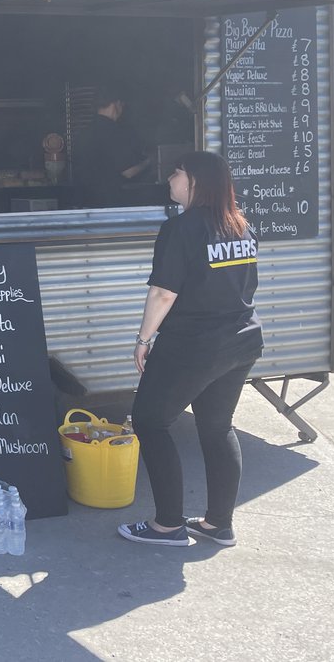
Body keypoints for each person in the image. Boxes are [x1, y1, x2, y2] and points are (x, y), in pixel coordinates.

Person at [118, 151, 263, 547]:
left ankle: (168, 525)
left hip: (194, 344)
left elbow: (164, 293)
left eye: (177, 173)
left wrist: (143, 339)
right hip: (241, 339)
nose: (170, 179)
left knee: (149, 421)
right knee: (218, 427)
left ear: (195, 181)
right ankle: (218, 525)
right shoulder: (241, 227)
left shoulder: (181, 229)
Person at [73, 85, 151, 206]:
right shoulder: (113, 131)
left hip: (85, 202)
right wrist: (149, 161)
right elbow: (128, 171)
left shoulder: (85, 131)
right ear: (116, 103)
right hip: (109, 203)